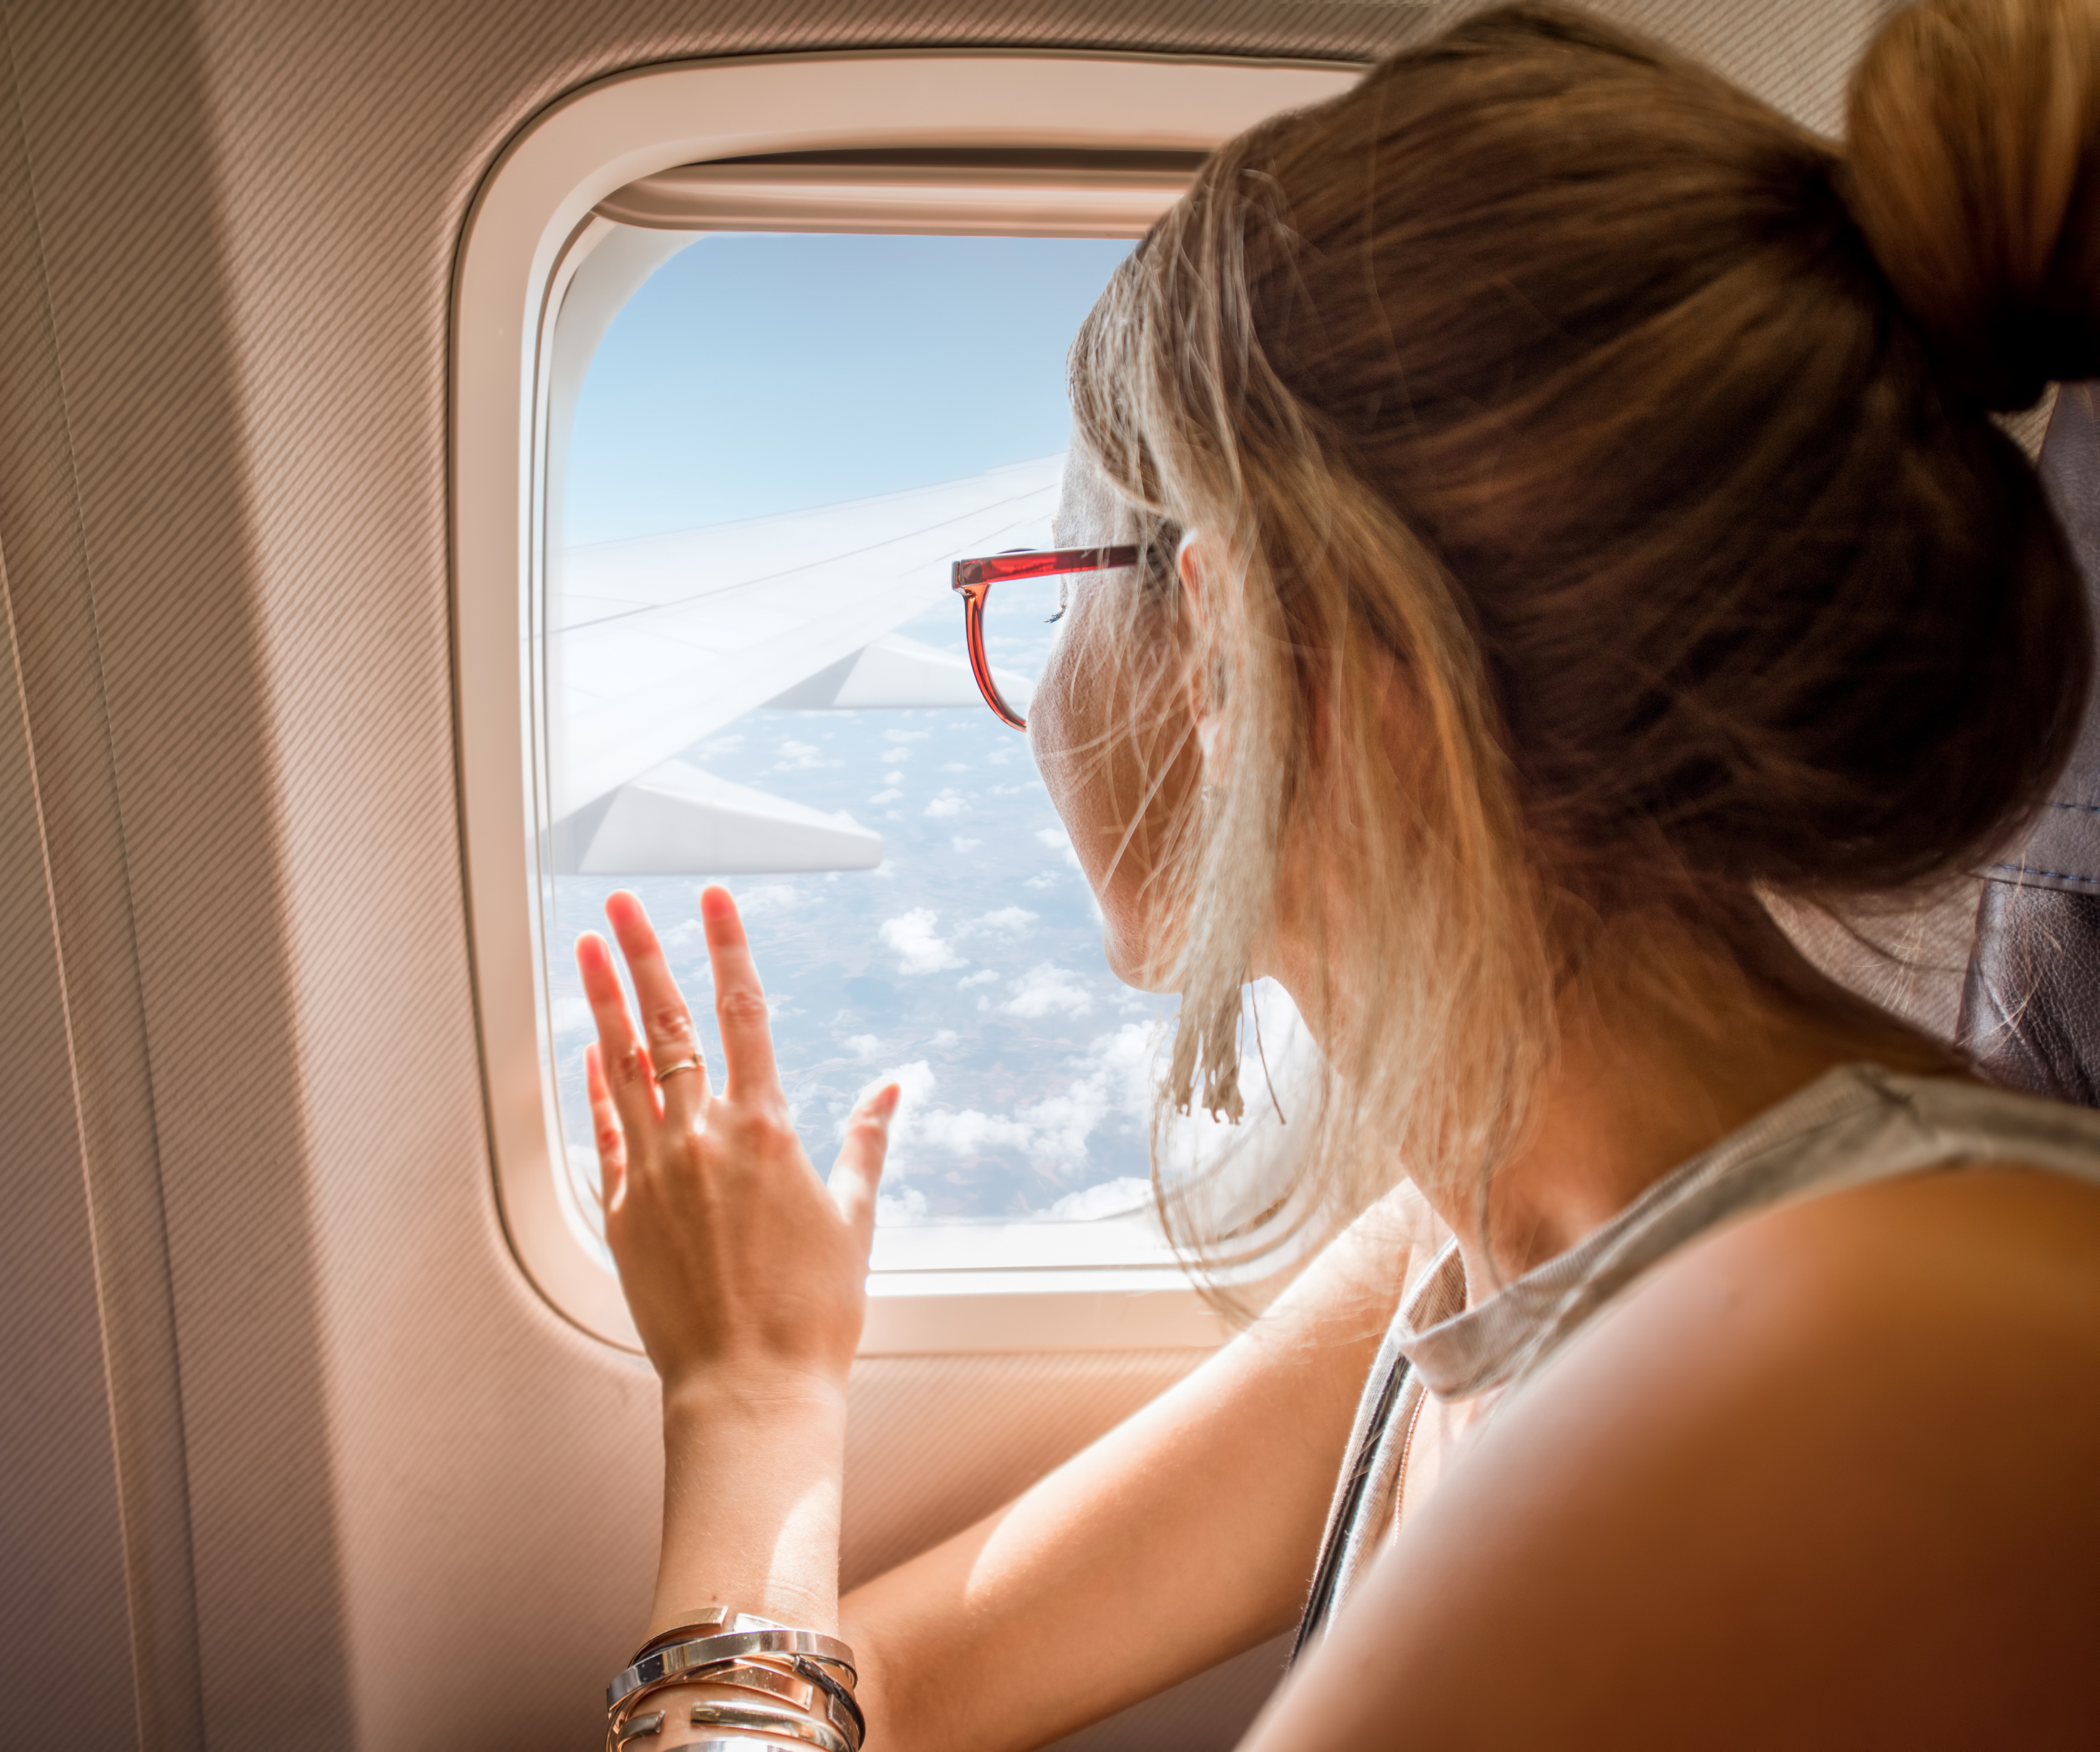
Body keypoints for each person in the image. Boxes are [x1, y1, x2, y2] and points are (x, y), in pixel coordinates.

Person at [574, 2, 2100, 1746]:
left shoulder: (1839, 1344)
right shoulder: (1491, 1240)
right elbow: (896, 1688)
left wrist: (748, 1408)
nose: (1040, 679)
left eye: (1062, 573)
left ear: (1227, 644)